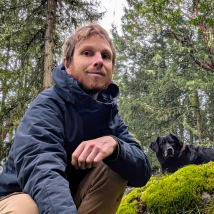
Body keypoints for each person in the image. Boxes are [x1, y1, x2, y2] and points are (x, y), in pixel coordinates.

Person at [0, 23, 151, 214]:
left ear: (112, 68)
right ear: (67, 65)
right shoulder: (48, 105)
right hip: (17, 197)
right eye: (87, 53)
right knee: (28, 208)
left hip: (71, 201)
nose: (98, 61)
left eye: (105, 56)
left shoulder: (110, 115)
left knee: (118, 162)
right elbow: (42, 170)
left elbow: (142, 172)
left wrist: (115, 147)